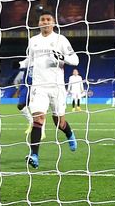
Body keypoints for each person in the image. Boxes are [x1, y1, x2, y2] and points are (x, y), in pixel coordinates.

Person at [25, 11, 80, 169]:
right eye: (43, 19)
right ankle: (34, 154)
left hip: (57, 87)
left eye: (49, 19)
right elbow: (29, 60)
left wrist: (61, 57)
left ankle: (69, 134)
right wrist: (20, 65)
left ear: (53, 23)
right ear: (39, 23)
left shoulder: (60, 40)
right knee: (38, 119)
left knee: (59, 122)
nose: (45, 22)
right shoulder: (33, 40)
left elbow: (75, 60)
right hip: (38, 87)